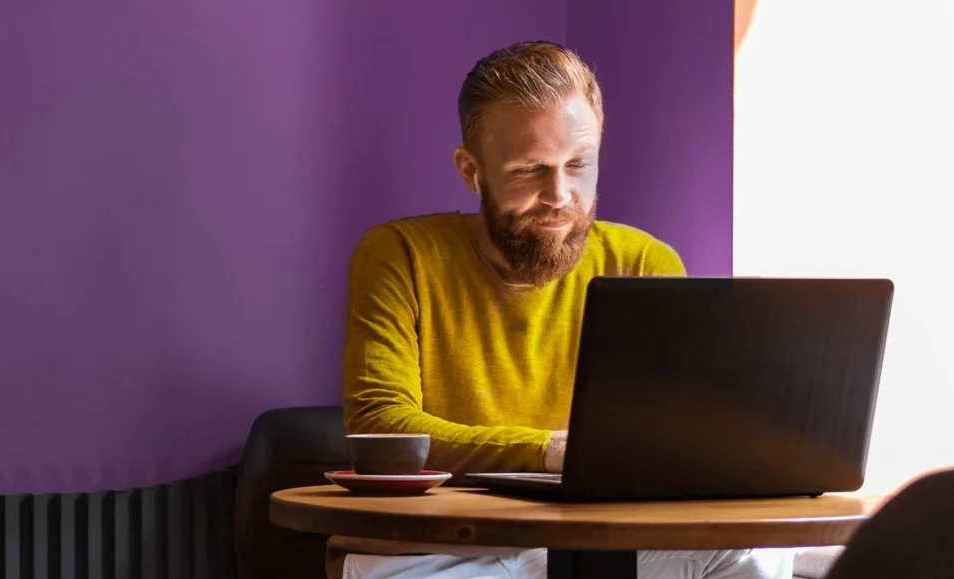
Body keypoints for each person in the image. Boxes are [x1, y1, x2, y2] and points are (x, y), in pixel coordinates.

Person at [330, 40, 795, 579]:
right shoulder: (400, 255)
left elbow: (672, 437)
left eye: (579, 165)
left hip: (597, 539)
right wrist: (550, 451)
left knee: (755, 559)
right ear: (471, 170)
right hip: (437, 548)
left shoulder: (643, 261)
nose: (560, 194)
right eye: (530, 170)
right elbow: (384, 428)